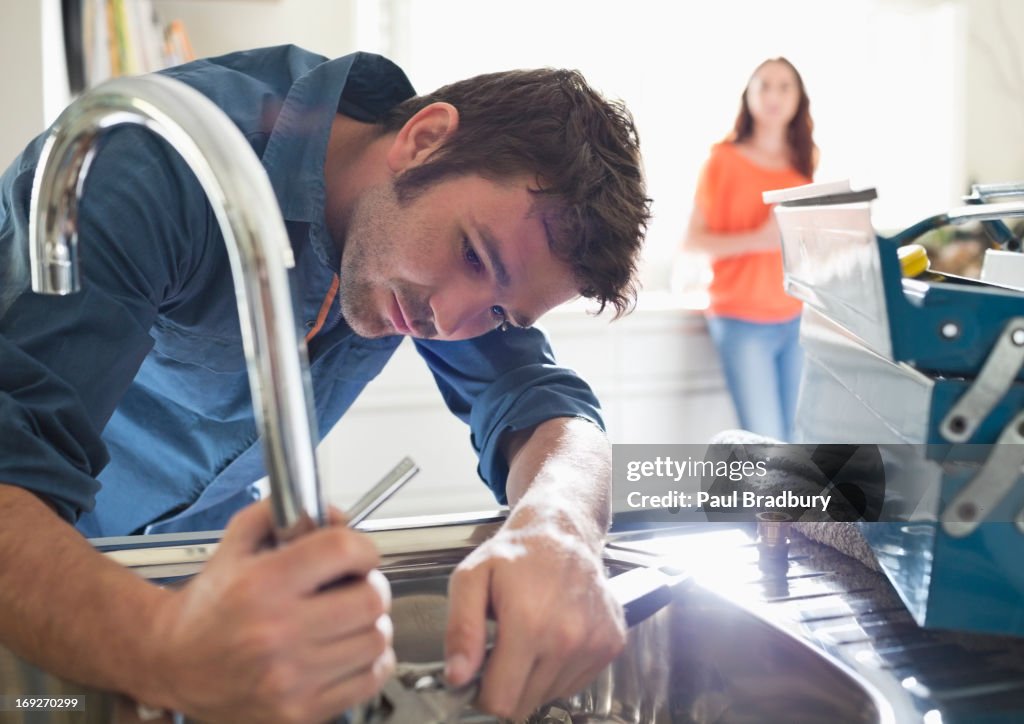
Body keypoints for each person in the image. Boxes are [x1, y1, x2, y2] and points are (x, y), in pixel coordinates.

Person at [0, 46, 650, 722]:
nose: (450, 320)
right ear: (423, 140)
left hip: (193, 543)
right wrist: (163, 647)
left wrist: (561, 525)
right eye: (470, 255)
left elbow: (545, 405)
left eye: (498, 312)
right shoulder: (154, 166)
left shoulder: (444, 238)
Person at [682, 56, 817, 442]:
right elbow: (693, 242)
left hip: (795, 317)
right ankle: (770, 506)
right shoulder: (722, 160)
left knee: (798, 438)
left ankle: (794, 506)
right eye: (764, 85)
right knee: (766, 442)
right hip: (741, 320)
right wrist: (758, 240)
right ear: (749, 96)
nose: (774, 95)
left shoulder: (804, 162)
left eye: (784, 86)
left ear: (798, 98)